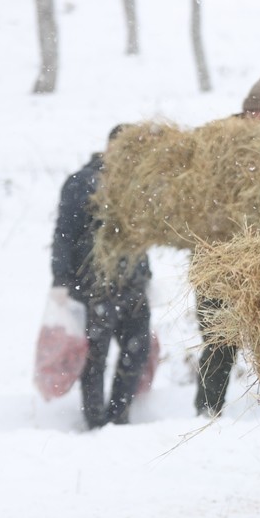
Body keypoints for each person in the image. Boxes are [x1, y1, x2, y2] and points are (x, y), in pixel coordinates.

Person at [194, 77, 260, 417]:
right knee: (219, 342)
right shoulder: (219, 144)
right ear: (250, 111)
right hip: (220, 263)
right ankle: (207, 414)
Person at [52, 124, 152, 429]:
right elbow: (64, 233)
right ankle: (94, 421)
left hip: (133, 284)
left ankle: (120, 417)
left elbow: (146, 235)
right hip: (94, 285)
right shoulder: (82, 182)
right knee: (95, 356)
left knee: (137, 351)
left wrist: (147, 275)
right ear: (110, 147)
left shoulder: (141, 186)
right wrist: (60, 279)